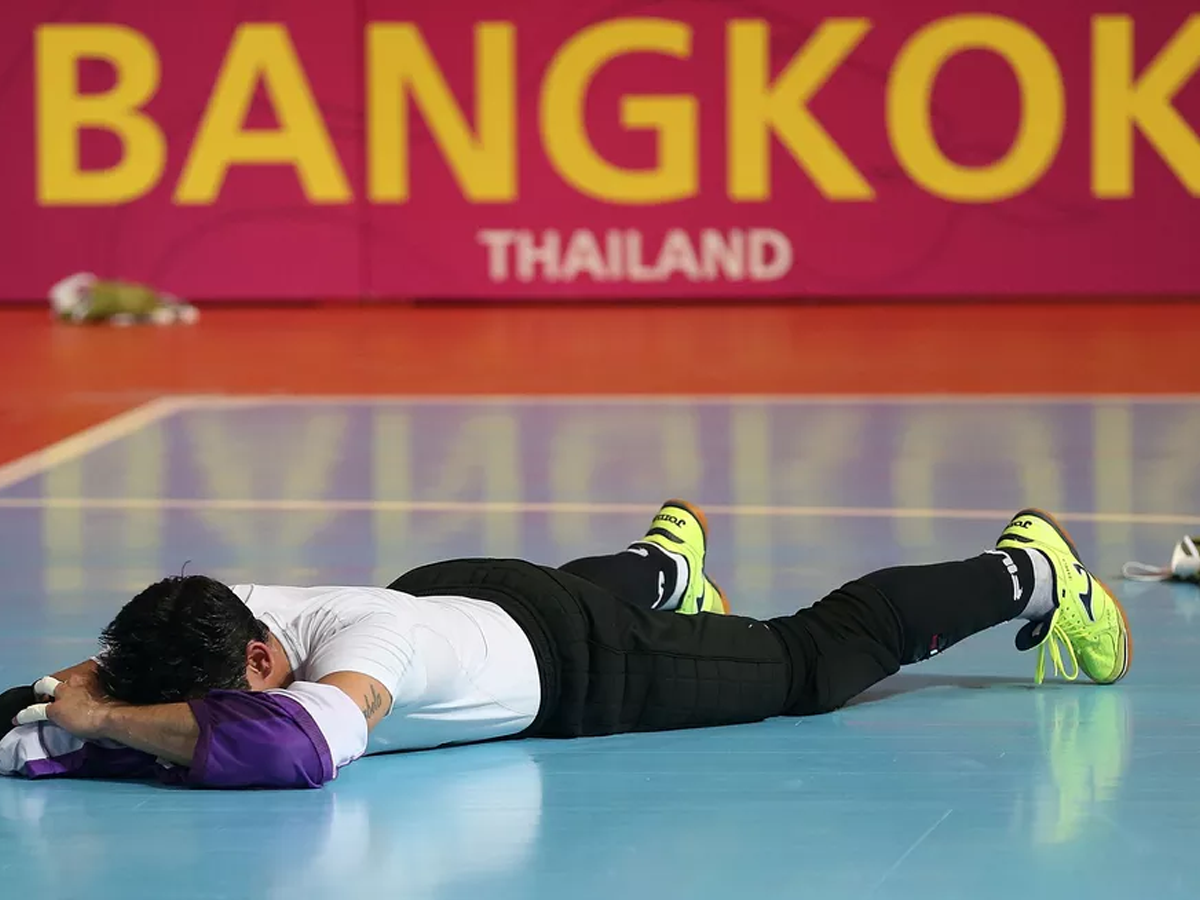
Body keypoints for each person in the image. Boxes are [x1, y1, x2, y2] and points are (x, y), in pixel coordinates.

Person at [0, 502, 1131, 790]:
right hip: (472, 598)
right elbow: (79, 683)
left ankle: (1027, 570)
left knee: (803, 661)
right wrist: (56, 695)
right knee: (555, 602)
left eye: (220, 703)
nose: (214, 718)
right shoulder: (209, 611)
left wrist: (91, 724)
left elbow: (296, 751)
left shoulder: (360, 655)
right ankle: (664, 563)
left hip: (578, 661)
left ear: (256, 662)